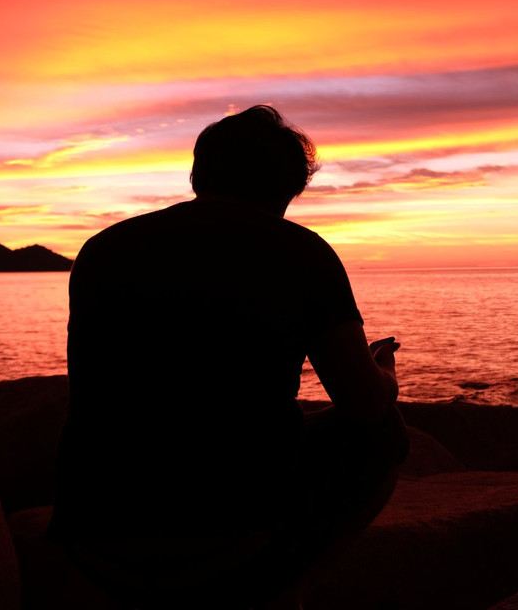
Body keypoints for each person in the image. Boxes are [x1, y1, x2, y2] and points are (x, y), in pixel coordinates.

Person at [49, 105, 407, 609]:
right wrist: (384, 373)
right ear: (288, 187)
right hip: (227, 543)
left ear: (200, 173)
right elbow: (365, 405)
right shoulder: (301, 252)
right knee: (384, 429)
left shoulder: (103, 248)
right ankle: (289, 587)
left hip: (93, 539)